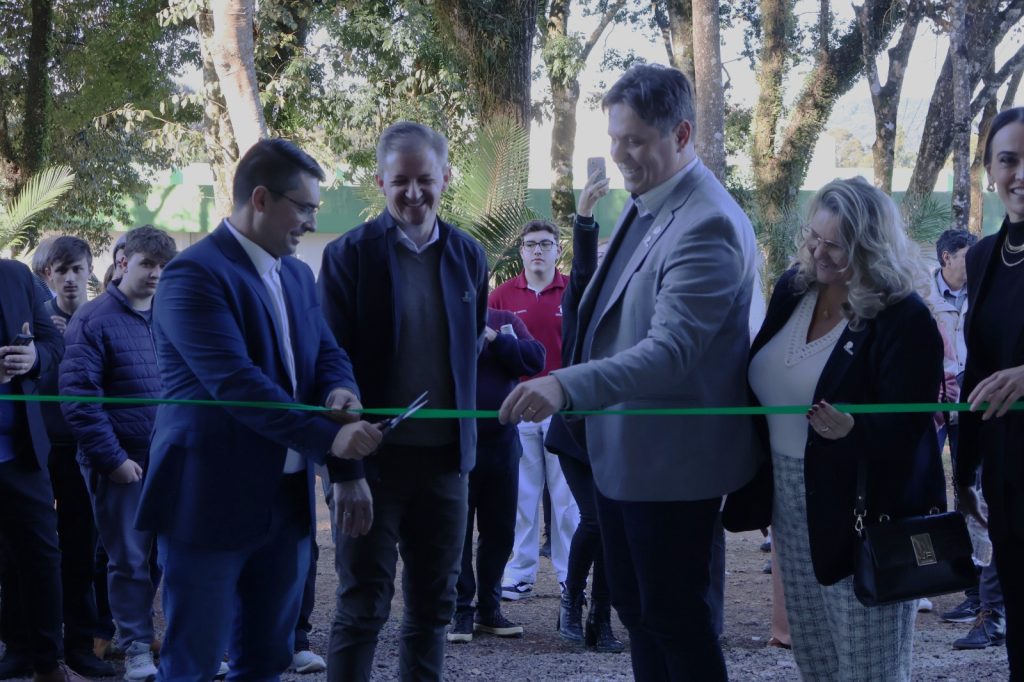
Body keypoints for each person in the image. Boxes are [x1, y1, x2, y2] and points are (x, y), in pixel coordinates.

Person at [500, 64, 759, 681]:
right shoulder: (649, 206)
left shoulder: (706, 222)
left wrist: (564, 384)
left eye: (635, 140)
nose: (619, 155)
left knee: (676, 622)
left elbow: (671, 353)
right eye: (615, 138)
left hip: (671, 465)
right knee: (642, 613)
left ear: (682, 134)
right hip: (624, 456)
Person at [135, 138, 382, 681]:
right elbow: (236, 384)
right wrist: (330, 437)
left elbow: (327, 353)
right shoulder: (193, 274)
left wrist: (341, 391)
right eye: (305, 207)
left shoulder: (297, 274)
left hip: (286, 503)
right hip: (207, 500)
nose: (312, 221)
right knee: (194, 663)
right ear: (262, 199)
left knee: (268, 660)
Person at [745, 177, 944, 680]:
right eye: (814, 237)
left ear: (870, 246)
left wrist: (857, 430)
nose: (818, 252)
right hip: (790, 501)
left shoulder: (903, 316)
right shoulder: (793, 288)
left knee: (869, 668)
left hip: (863, 512)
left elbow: (913, 428)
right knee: (815, 660)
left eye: (835, 245)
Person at [318, 121, 488, 682]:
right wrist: (345, 472)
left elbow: (468, 353)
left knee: (434, 609)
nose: (413, 193)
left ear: (446, 177)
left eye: (425, 180)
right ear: (380, 182)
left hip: (445, 464)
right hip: (371, 466)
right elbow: (327, 364)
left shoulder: (469, 256)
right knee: (363, 605)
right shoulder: (349, 256)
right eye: (400, 182)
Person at [60, 226, 177, 681]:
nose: (156, 273)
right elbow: (79, 400)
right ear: (123, 261)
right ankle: (136, 650)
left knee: (172, 557)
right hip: (120, 464)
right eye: (148, 263)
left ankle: (181, 644)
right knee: (128, 561)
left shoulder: (171, 314)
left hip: (170, 458)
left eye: (163, 266)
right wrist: (113, 461)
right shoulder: (92, 319)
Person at [542, 170, 624, 653]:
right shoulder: (581, 300)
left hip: (619, 435)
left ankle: (603, 617)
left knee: (614, 524)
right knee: (596, 520)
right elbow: (585, 269)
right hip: (575, 436)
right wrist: (586, 216)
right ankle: (571, 601)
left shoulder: (633, 309)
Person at [957, 105, 1024, 681]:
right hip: (1007, 473)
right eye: (1009, 160)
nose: (1020, 174)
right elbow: (977, 369)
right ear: (991, 171)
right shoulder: (981, 257)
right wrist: (964, 472)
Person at [0, 258, 86, 682]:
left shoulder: (15, 275)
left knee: (39, 555)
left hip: (21, 451)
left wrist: (34, 357)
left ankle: (46, 663)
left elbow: (53, 342)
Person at [490, 219, 579, 601]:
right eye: (530, 244)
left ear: (558, 249)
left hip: (563, 406)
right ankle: (520, 572)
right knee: (523, 496)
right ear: (521, 251)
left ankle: (570, 575)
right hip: (520, 407)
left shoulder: (574, 291)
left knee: (565, 498)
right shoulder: (501, 296)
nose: (538, 250)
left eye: (545, 243)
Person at [448, 309, 545, 643]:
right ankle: (461, 610)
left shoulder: (505, 321)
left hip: (503, 445)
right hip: (457, 445)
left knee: (500, 531)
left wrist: (497, 339)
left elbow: (535, 359)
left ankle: (489, 608)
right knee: (457, 531)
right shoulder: (446, 316)